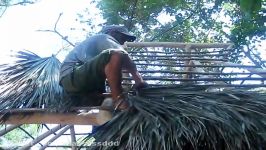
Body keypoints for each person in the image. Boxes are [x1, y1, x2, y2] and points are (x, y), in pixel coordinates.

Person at [59, 25, 147, 111]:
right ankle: (119, 100)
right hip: (72, 76)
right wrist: (138, 80)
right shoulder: (104, 37)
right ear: (112, 33)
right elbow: (122, 55)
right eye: (123, 37)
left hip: (80, 87)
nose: (123, 42)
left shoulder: (97, 51)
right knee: (116, 55)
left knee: (106, 110)